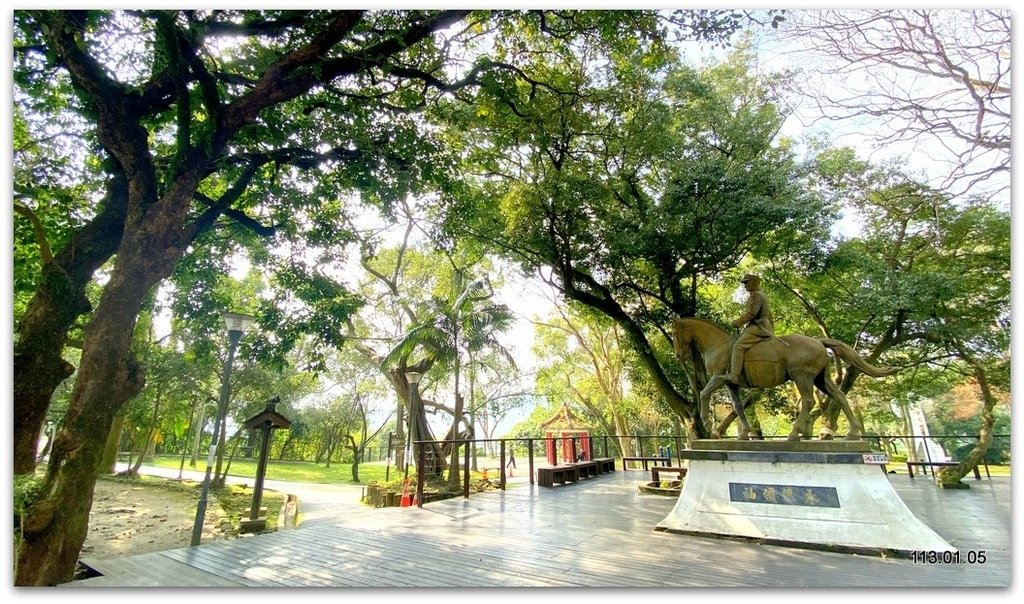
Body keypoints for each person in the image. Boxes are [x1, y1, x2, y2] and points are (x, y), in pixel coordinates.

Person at [723, 273, 774, 384]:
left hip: (758, 327)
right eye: (744, 283)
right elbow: (770, 315)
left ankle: (734, 375)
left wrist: (737, 322)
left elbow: (751, 314)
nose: (745, 285)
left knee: (738, 346)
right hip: (764, 326)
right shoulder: (761, 295)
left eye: (746, 282)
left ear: (754, 282)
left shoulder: (756, 295)